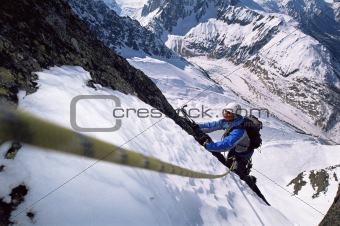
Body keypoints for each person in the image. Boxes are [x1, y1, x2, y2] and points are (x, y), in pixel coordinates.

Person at [192, 102, 270, 206]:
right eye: (225, 111)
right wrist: (197, 126)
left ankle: (250, 181)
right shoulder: (228, 121)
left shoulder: (239, 130)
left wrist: (207, 145)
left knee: (238, 175)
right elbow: (212, 126)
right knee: (229, 166)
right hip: (235, 149)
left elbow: (226, 145)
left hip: (242, 155)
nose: (225, 114)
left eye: (229, 113)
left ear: (235, 115)